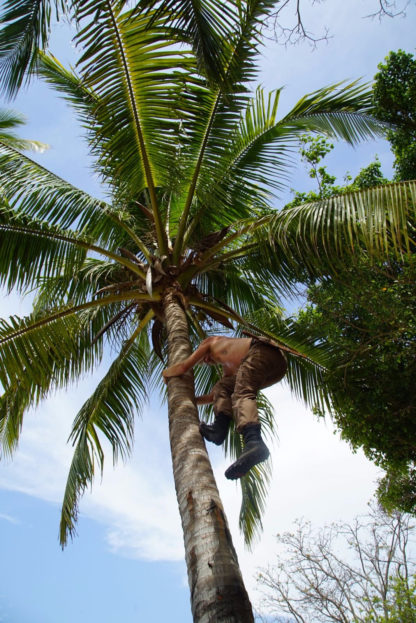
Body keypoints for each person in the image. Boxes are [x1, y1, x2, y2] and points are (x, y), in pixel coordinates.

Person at [162, 335, 287, 480]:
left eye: (204, 358)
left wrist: (166, 373)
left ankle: (254, 441)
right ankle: (219, 429)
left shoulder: (211, 342)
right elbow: (215, 395)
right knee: (225, 387)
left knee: (242, 393)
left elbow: (183, 367)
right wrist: (191, 400)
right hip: (277, 368)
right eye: (204, 362)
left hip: (261, 350)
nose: (207, 361)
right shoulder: (230, 366)